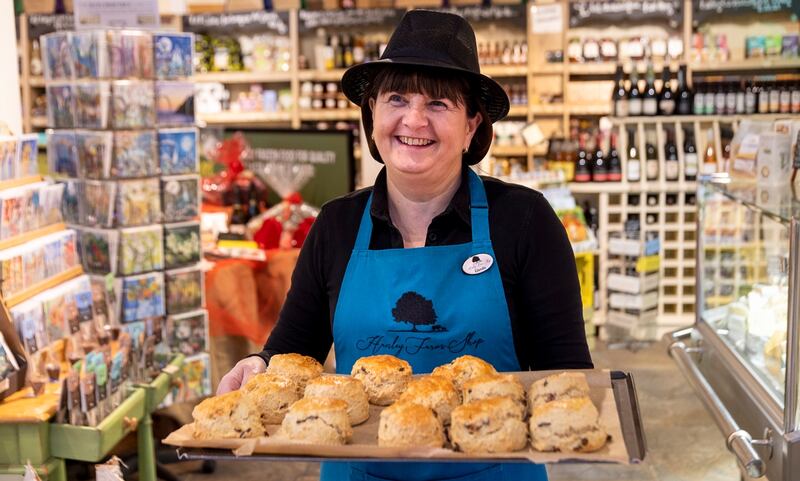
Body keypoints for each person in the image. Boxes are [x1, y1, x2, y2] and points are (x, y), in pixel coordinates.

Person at [218, 10, 591, 481]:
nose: (414, 120)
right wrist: (257, 365)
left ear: (472, 125)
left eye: (439, 103)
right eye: (396, 98)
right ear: (372, 111)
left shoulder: (524, 220)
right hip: (361, 472)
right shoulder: (336, 224)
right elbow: (293, 351)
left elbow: (568, 373)